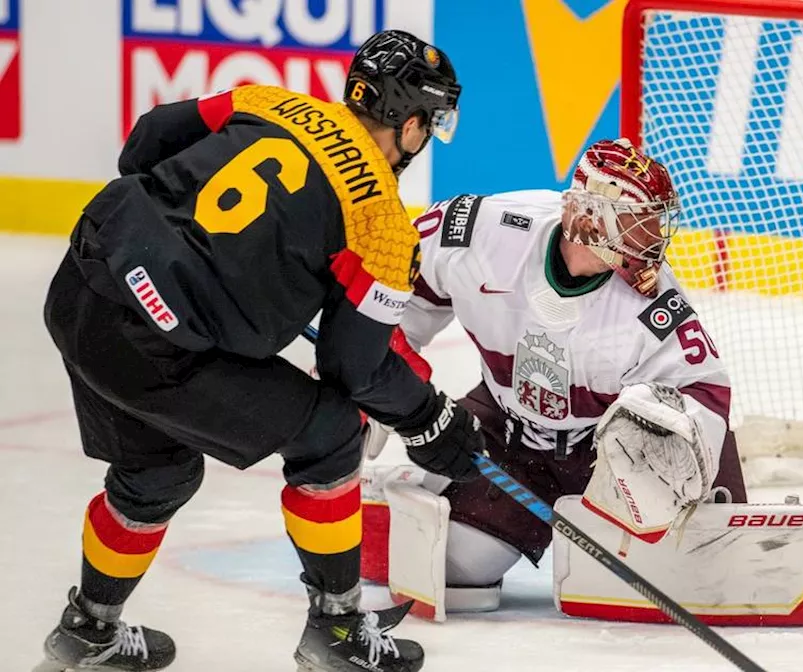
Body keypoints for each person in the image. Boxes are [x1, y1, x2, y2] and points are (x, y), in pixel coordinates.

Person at [39, 30, 482, 672]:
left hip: (82, 285)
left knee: (158, 473)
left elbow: (142, 144)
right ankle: (335, 632)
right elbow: (350, 369)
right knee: (330, 434)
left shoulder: (273, 102)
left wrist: (173, 241)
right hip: (156, 345)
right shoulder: (381, 224)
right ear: (407, 121)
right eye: (430, 122)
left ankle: (88, 629)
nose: (426, 138)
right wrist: (428, 417)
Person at [358, 138, 748, 612]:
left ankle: (705, 526)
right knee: (457, 573)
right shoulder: (485, 233)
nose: (652, 238)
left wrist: (670, 451)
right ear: (587, 218)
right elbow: (398, 283)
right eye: (636, 223)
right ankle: (412, 486)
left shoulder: (654, 306)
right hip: (505, 432)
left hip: (606, 454)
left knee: (704, 576)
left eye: (654, 223)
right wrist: (374, 376)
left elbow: (707, 391)